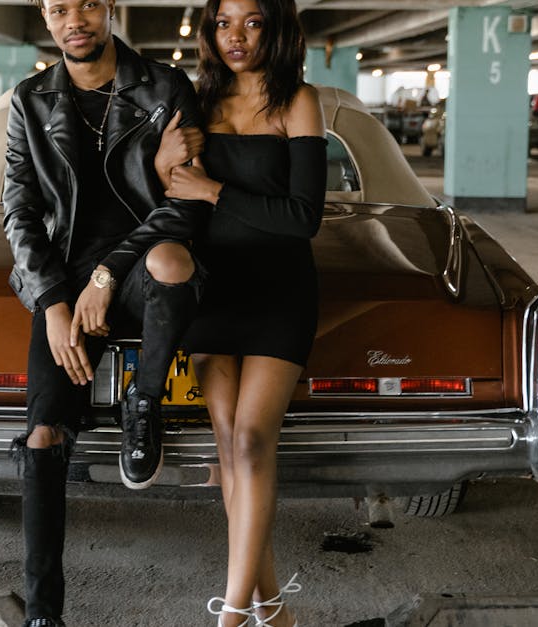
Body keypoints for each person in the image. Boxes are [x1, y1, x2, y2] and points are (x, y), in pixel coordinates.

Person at [2, 0, 210, 624]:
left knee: (172, 262)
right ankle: (44, 612)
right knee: (43, 434)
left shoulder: (164, 87)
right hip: (67, 282)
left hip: (143, 269)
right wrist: (51, 302)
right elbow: (19, 212)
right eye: (60, 7)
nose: (76, 19)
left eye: (89, 3)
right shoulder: (30, 100)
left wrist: (108, 272)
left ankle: (142, 405)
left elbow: (185, 204)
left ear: (111, 7)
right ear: (45, 16)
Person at [154, 0, 325, 624]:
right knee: (227, 446)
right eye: (224, 23)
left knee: (252, 439)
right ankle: (271, 610)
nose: (236, 36)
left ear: (274, 28)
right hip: (213, 290)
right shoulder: (197, 102)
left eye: (252, 22)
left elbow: (304, 217)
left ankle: (229, 615)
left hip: (280, 289)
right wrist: (164, 164)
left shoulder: (297, 101)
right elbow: (171, 195)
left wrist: (213, 190)